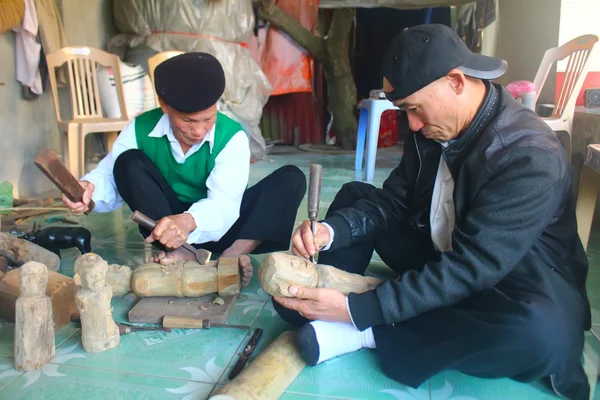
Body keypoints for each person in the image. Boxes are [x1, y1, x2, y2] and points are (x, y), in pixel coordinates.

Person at [273, 24, 590, 400]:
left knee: (541, 336)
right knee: (355, 198)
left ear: (456, 81)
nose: (413, 124)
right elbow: (393, 202)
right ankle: (324, 293)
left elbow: (474, 266)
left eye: (415, 110)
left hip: (513, 284)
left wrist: (361, 311)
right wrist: (330, 232)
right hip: (443, 251)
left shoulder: (528, 155)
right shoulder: (431, 130)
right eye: (406, 111)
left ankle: (364, 331)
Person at [62, 52, 306, 286]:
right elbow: (110, 175)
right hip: (168, 231)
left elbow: (224, 205)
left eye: (207, 119)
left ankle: (231, 258)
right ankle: (182, 253)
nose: (198, 131)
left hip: (225, 226)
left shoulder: (232, 137)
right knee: (128, 161)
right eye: (188, 121)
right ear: (164, 105)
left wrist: (189, 221)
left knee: (291, 179)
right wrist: (88, 191)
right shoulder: (140, 128)